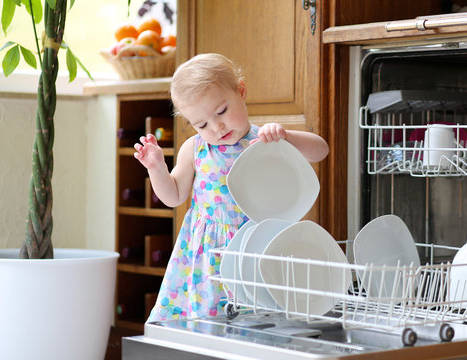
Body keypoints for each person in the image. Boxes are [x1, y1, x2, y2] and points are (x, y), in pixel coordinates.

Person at [134, 53, 329, 322]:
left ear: (241, 91)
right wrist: (156, 167)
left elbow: (321, 150)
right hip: (208, 254)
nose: (216, 127)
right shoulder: (195, 148)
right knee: (208, 322)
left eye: (222, 111)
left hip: (256, 246)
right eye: (201, 124)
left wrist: (286, 137)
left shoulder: (266, 140)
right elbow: (173, 196)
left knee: (261, 318)